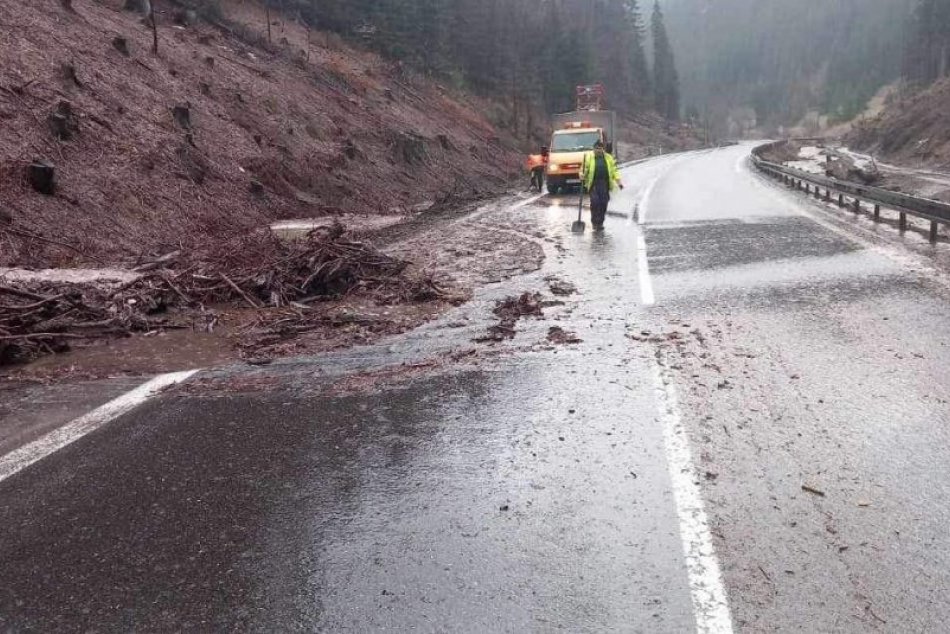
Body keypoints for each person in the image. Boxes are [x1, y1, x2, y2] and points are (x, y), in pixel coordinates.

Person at [580, 140, 623, 229]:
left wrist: (619, 182)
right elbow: (583, 170)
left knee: (603, 203)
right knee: (595, 202)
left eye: (600, 148)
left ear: (603, 149)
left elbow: (614, 171)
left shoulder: (608, 158)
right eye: (597, 149)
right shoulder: (589, 158)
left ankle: (600, 222)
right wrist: (582, 175)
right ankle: (594, 222)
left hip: (604, 184)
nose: (599, 150)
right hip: (593, 184)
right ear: (593, 149)